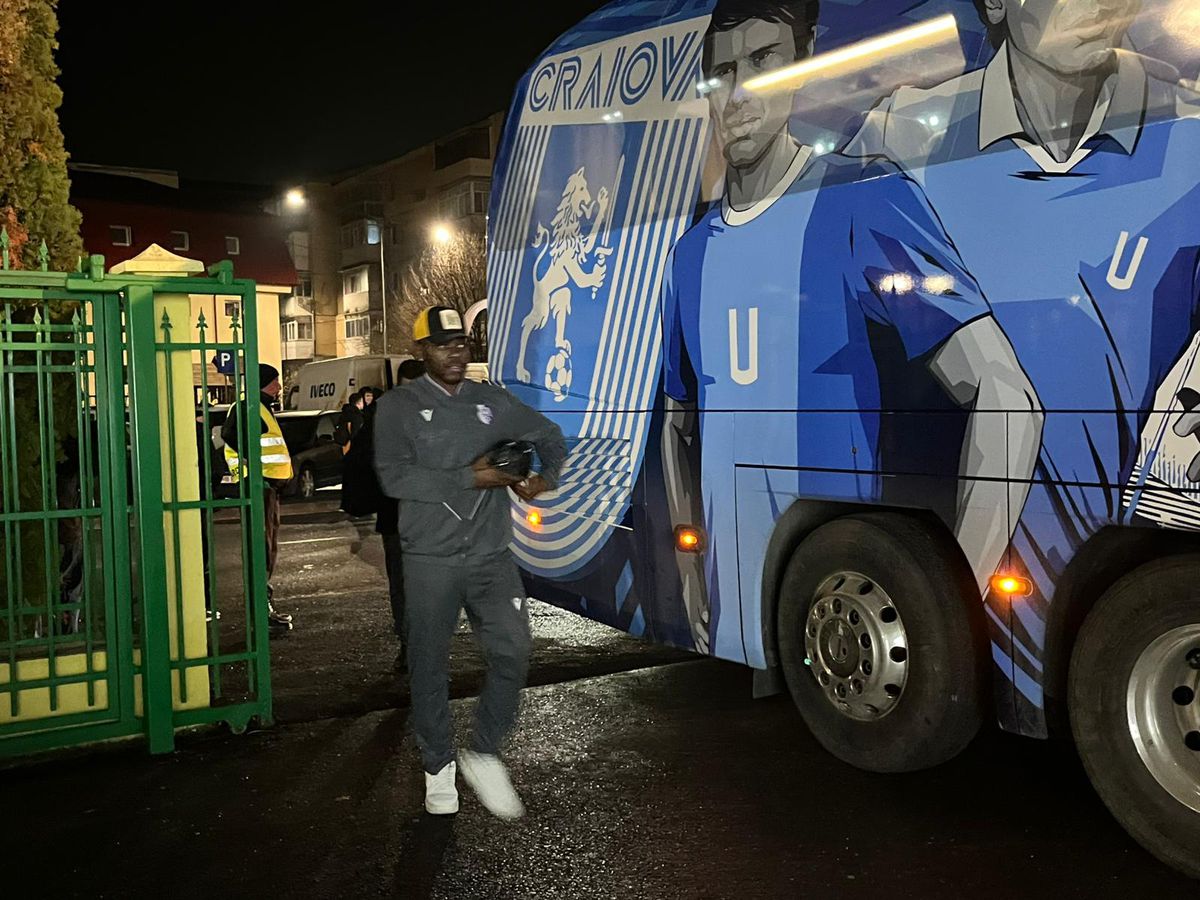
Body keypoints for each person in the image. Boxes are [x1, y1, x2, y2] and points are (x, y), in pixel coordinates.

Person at [846, 0, 1200, 715]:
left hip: (1143, 543)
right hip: (969, 533)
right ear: (997, 4)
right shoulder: (900, 134)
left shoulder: (1187, 123)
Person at [660, 0, 1042, 657]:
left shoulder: (860, 198)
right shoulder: (689, 254)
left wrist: (952, 601)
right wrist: (692, 567)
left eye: (762, 62)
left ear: (800, 64)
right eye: (722, 72)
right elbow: (678, 415)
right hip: (733, 619)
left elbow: (1008, 396)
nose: (740, 92)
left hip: (835, 613)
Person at [373, 308, 567, 819]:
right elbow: (395, 478)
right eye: (441, 345)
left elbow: (550, 436)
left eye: (460, 343)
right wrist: (471, 478)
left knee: (513, 651)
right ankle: (438, 766)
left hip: (490, 557)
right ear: (421, 352)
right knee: (429, 664)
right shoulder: (398, 407)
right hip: (429, 560)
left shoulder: (491, 401)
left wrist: (542, 479)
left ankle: (482, 751)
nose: (455, 353)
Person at [221, 363, 295, 633]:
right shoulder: (248, 407)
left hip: (267, 489)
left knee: (267, 549)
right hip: (258, 488)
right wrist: (253, 471)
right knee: (261, 550)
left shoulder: (260, 407)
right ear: (263, 383)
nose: (278, 387)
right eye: (275, 382)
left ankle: (265, 607)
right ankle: (261, 612)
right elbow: (230, 436)